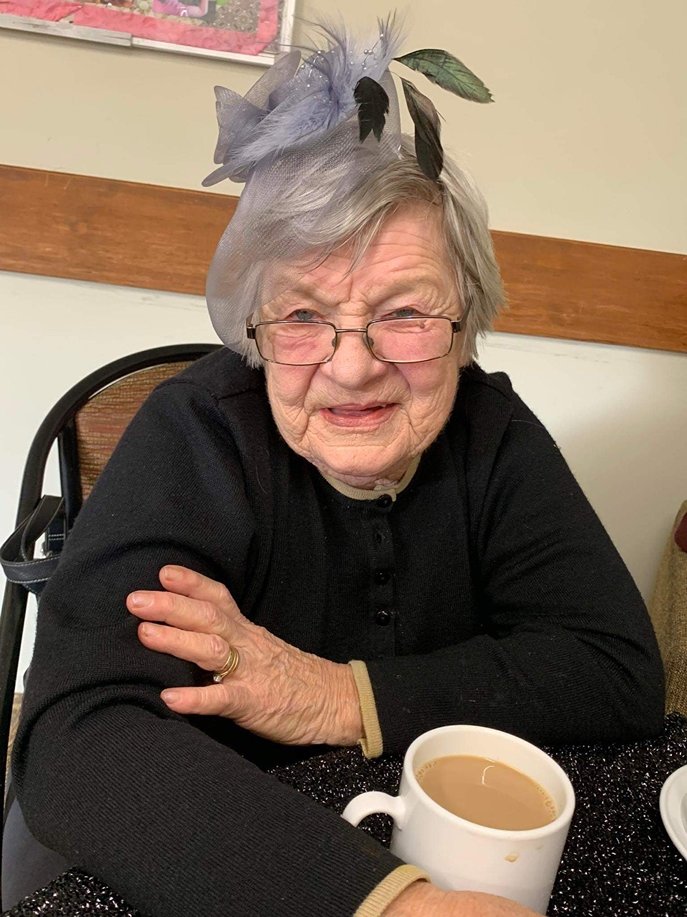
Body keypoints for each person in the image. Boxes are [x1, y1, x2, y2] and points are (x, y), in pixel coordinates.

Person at [9, 15, 663, 916]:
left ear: (465, 321)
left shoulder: (491, 430)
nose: (351, 366)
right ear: (253, 329)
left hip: (431, 827)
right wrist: (392, 906)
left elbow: (615, 672)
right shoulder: (196, 433)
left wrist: (339, 697)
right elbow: (80, 743)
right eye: (303, 317)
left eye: (404, 312)